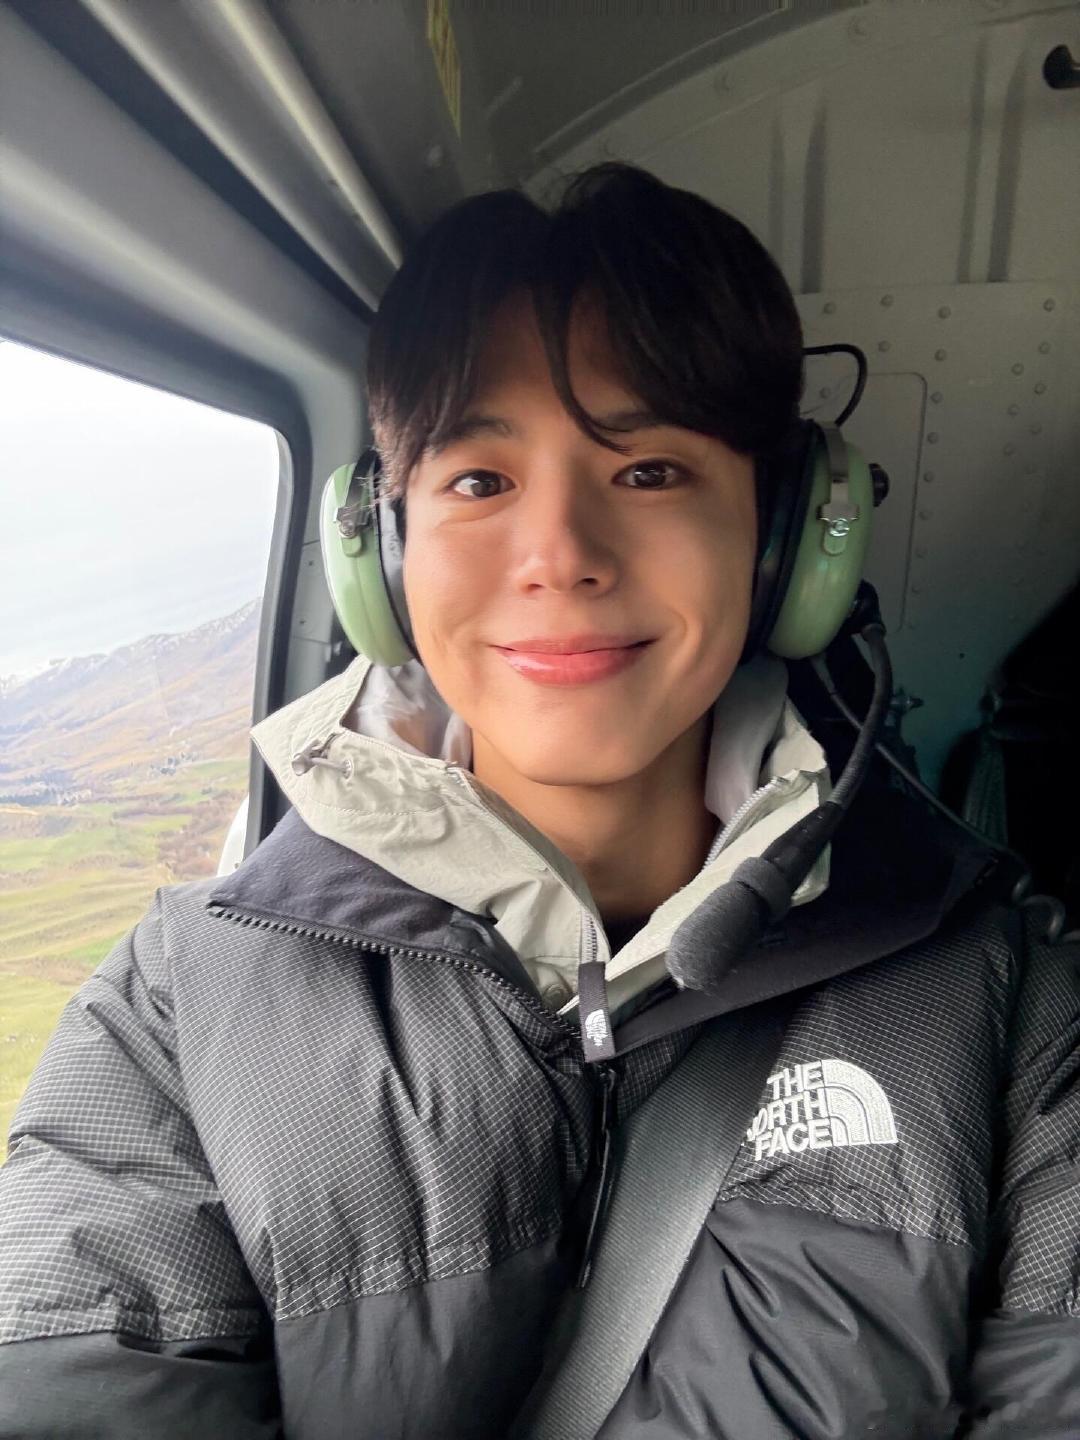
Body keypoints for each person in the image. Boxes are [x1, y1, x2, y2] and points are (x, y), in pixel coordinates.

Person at [1, 163, 1077, 1440]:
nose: (561, 555)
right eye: (478, 480)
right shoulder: (175, 1010)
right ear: (379, 553)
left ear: (788, 536)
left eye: (651, 471)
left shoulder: (1009, 997)